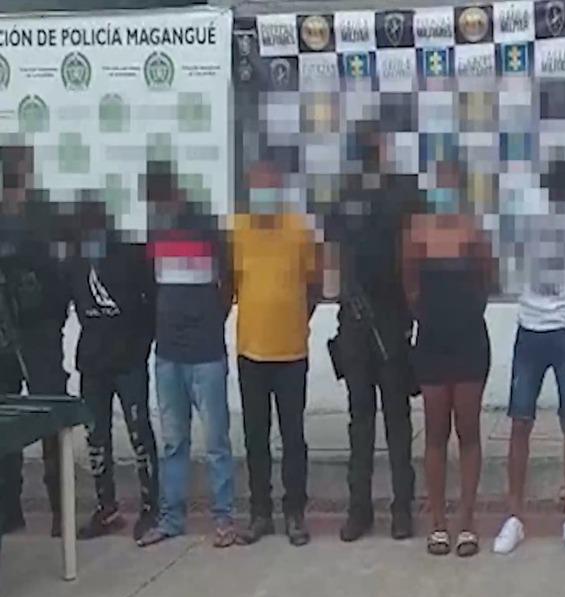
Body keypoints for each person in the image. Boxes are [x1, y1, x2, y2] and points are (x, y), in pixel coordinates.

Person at [492, 181, 565, 557]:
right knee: (520, 422)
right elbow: (505, 256)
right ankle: (514, 516)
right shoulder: (526, 213)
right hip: (531, 328)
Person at [137, 161, 236, 548]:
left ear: (176, 192)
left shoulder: (208, 226)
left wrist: (212, 321)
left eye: (161, 198)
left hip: (206, 353)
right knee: (174, 443)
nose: (158, 206)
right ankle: (171, 519)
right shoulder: (153, 231)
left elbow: (228, 283)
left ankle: (224, 518)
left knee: (216, 443)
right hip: (167, 354)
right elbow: (151, 286)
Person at [326, 127, 417, 542]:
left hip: (392, 321)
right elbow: (333, 260)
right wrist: (343, 294)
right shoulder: (342, 197)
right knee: (360, 421)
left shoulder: (403, 194)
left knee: (397, 420)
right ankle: (359, 510)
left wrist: (409, 314)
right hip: (355, 323)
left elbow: (411, 255)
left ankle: (402, 510)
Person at [403, 158, 494, 557]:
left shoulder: (474, 229)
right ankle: (438, 522)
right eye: (440, 183)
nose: (445, 191)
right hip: (432, 342)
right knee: (435, 432)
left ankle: (467, 520)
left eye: (451, 183)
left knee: (468, 430)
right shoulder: (417, 230)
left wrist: (467, 310)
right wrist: (427, 314)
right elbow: (409, 282)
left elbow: (488, 279)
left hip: (469, 340)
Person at [232, 161, 320, 547]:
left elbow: (313, 286)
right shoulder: (237, 230)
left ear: (281, 190)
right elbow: (230, 285)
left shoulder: (299, 230)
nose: (264, 195)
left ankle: (295, 513)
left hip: (291, 352)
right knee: (256, 437)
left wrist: (296, 318)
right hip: (251, 351)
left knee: (293, 437)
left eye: (271, 187)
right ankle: (260, 514)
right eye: (258, 188)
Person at [65, 206, 159, 541]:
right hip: (92, 363)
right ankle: (107, 507)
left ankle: (151, 506)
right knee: (96, 437)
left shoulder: (131, 253)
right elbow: (68, 302)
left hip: (129, 360)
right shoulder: (74, 259)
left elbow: (152, 302)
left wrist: (142, 345)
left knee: (138, 433)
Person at [0, 144, 66, 539]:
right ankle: (9, 508)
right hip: (7, 333)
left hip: (41, 331)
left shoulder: (44, 213)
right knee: (7, 421)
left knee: (50, 419)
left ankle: (61, 510)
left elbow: (60, 270)